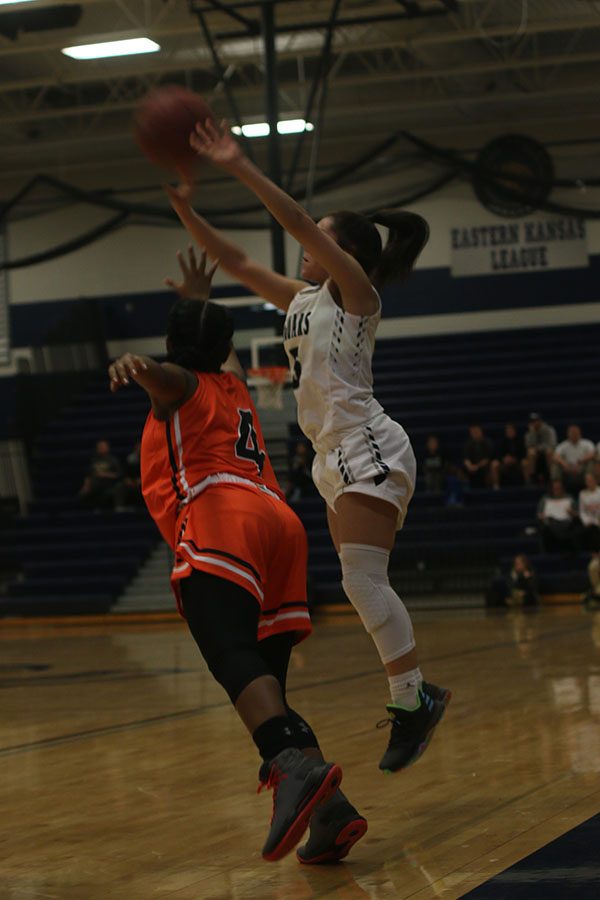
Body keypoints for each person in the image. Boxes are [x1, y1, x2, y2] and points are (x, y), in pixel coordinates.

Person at [166, 117, 449, 776]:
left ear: (344, 250)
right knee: (360, 582)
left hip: (367, 440)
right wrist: (183, 204)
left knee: (361, 578)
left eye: (319, 234)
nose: (305, 240)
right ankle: (415, 697)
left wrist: (238, 163)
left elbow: (290, 217)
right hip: (330, 457)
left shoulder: (357, 294)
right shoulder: (298, 301)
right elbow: (233, 262)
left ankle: (415, 699)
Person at [108, 253, 359, 864]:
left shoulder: (180, 386)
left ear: (171, 347)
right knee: (261, 682)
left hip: (224, 517)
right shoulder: (233, 381)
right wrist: (199, 300)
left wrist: (140, 367)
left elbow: (171, 377)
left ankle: (289, 770)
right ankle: (328, 809)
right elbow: (207, 349)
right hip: (278, 520)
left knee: (229, 657)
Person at [77, 439, 121, 510]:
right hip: (95, 484)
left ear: (107, 447)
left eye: (103, 446)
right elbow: (88, 474)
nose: (101, 448)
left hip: (109, 484)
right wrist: (86, 485)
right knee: (82, 495)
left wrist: (105, 474)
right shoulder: (93, 460)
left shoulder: (113, 460)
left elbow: (118, 475)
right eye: (100, 447)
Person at [537, 479, 578, 554]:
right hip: (551, 524)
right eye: (555, 488)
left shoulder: (569, 498)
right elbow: (539, 514)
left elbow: (577, 514)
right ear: (551, 489)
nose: (557, 490)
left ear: (562, 488)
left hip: (566, 524)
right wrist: (541, 516)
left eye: (559, 488)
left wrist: (572, 512)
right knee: (548, 527)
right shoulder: (545, 499)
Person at [551, 424, 596, 492]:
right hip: (568, 470)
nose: (574, 435)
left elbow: (592, 454)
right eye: (572, 433)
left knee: (591, 462)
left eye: (576, 433)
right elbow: (555, 456)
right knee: (555, 465)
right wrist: (564, 464)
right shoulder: (563, 445)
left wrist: (581, 461)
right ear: (568, 434)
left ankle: (591, 491)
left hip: (582, 470)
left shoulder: (586, 443)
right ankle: (557, 491)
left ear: (580, 433)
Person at [523, 413, 557, 485]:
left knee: (549, 452)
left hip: (547, 453)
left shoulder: (549, 430)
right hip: (535, 455)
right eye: (532, 422)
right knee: (531, 452)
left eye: (536, 421)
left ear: (540, 421)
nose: (535, 423)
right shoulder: (529, 432)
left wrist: (540, 448)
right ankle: (532, 478)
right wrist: (533, 433)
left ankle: (552, 477)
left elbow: (552, 444)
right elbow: (528, 445)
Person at [490, 422, 525, 489]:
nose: (509, 432)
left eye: (511, 431)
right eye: (508, 431)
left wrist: (515, 459)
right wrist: (503, 459)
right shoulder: (502, 441)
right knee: (494, 464)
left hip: (517, 461)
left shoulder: (520, 440)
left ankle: (528, 483)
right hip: (504, 462)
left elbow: (523, 453)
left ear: (514, 431)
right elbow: (497, 454)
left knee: (525, 463)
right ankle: (496, 485)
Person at [462, 424, 494, 489]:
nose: (475, 434)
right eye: (473, 432)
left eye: (476, 431)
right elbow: (466, 458)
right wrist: (469, 466)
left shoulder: (487, 442)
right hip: (472, 467)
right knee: (463, 470)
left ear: (481, 431)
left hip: (484, 467)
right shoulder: (468, 444)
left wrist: (477, 466)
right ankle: (466, 489)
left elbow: (487, 459)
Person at [114, 440, 143, 511]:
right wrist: (127, 480)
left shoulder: (149, 459)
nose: (139, 449)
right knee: (120, 487)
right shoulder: (130, 459)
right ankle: (119, 507)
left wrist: (142, 480)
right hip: (131, 482)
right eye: (138, 447)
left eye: (141, 447)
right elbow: (125, 473)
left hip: (144, 482)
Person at [578, 472, 600, 552]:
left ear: (596, 481)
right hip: (590, 522)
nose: (589, 482)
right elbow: (582, 511)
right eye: (587, 480)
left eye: (591, 480)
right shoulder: (582, 494)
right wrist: (586, 521)